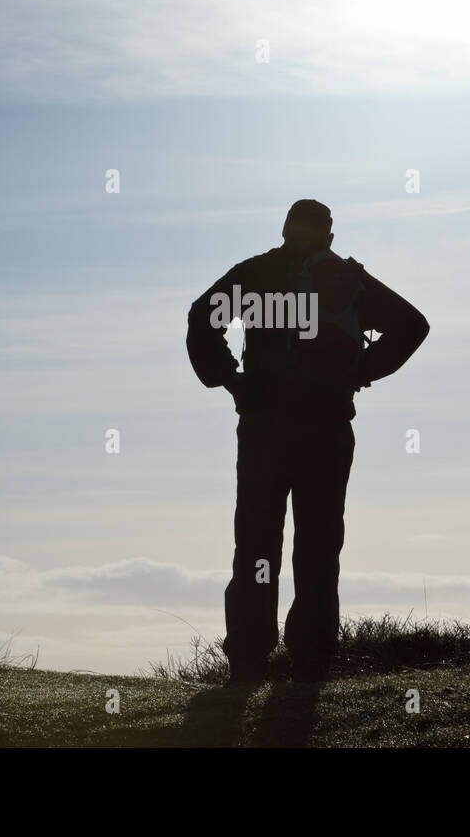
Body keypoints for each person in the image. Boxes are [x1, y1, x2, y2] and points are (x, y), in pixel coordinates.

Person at [186, 199, 429, 682]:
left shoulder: (255, 273)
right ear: (329, 235)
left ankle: (250, 660)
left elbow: (201, 318)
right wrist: (362, 371)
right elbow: (412, 325)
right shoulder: (348, 278)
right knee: (319, 545)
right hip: (326, 429)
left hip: (265, 431)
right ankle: (311, 658)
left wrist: (231, 380)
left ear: (284, 229)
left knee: (256, 544)